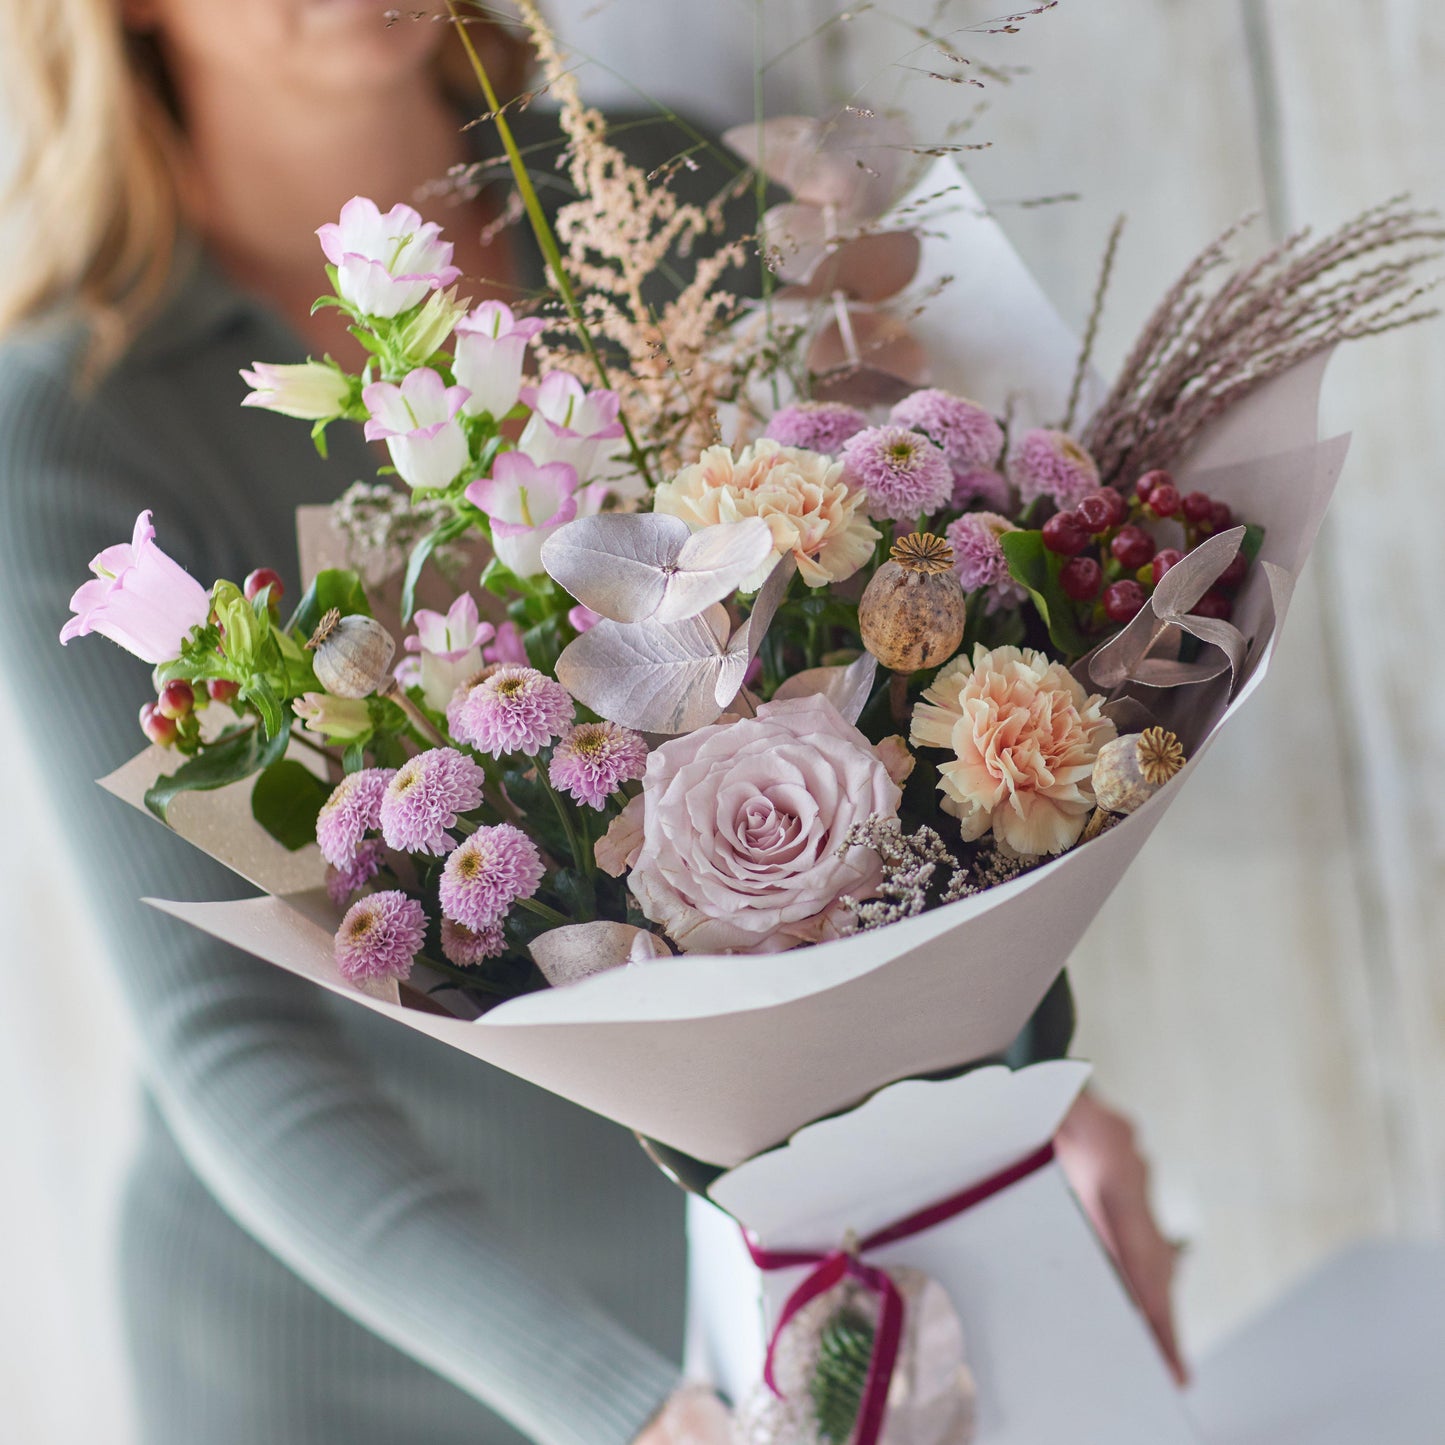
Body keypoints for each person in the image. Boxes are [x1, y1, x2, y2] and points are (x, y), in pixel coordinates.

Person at [0, 3, 1181, 1441]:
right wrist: (623, 1411)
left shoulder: (653, 195)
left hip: (745, 1293)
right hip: (343, 1367)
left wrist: (1007, 1099)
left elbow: (885, 719)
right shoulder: (76, 423)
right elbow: (227, 1041)